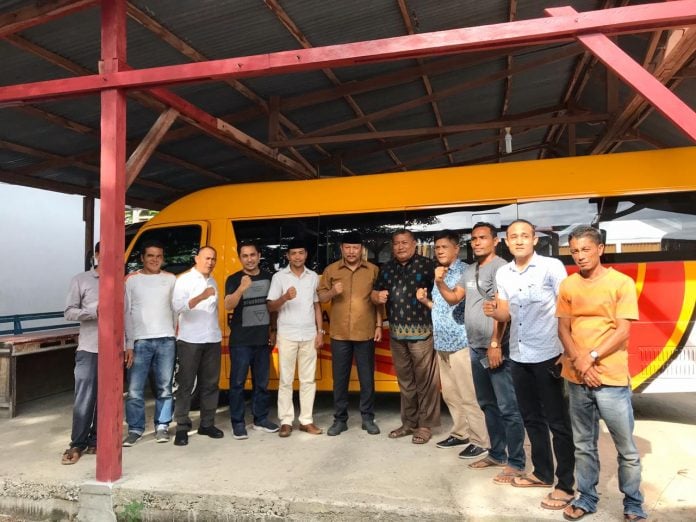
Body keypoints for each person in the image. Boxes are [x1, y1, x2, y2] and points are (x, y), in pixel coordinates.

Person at [557, 225, 648, 521]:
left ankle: (633, 504)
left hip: (611, 379)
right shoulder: (568, 285)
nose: (580, 256)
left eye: (585, 249)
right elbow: (563, 329)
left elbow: (622, 331)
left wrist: (591, 358)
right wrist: (579, 362)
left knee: (627, 449)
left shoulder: (621, 283)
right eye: (574, 251)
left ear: (600, 249)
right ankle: (586, 498)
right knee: (583, 446)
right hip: (576, 378)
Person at [484, 219, 575, 509]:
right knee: (531, 419)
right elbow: (505, 314)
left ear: (535, 240)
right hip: (519, 355)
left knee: (558, 422)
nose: (519, 240)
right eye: (514, 237)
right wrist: (494, 312)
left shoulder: (551, 267)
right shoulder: (504, 273)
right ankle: (543, 473)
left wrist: (568, 351)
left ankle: (565, 484)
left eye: (525, 235)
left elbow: (568, 308)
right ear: (507, 242)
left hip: (548, 354)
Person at [436, 222, 526, 482]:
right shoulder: (471, 270)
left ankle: (516, 461)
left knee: (508, 407)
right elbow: (454, 298)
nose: (477, 242)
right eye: (474, 238)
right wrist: (440, 283)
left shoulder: (502, 268)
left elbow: (502, 308)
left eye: (483, 238)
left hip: (496, 347)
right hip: (475, 346)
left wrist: (495, 343)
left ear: (495, 241)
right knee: (487, 404)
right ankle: (496, 453)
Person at [417, 230, 489, 458]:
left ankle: (481, 440)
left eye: (444, 247)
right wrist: (425, 301)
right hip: (442, 342)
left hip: (461, 342)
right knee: (450, 394)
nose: (439, 251)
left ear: (456, 248)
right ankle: (461, 433)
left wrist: (438, 281)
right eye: (437, 247)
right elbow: (441, 308)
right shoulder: (440, 271)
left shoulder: (465, 272)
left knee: (469, 395)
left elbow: (454, 300)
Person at [372, 229, 440, 444]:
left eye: (404, 242)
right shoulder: (387, 268)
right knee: (406, 382)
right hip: (397, 335)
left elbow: (441, 298)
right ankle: (409, 423)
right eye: (396, 243)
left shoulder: (428, 266)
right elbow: (374, 294)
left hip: (423, 333)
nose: (400, 247)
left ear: (414, 244)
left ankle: (425, 426)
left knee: (425, 382)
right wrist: (377, 296)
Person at [317, 231, 381, 436]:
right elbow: (321, 298)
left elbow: (378, 301)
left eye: (355, 248)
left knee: (367, 379)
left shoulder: (373, 270)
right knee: (340, 379)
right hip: (340, 334)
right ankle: (340, 419)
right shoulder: (331, 270)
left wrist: (379, 326)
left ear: (361, 249)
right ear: (341, 249)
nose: (352, 251)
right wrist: (333, 292)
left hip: (365, 332)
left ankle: (368, 418)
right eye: (348, 247)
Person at [267, 238, 323, 437]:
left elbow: (317, 306)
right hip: (287, 334)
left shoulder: (313, 276)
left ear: (306, 255)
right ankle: (286, 421)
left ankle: (306, 421)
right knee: (286, 380)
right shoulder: (279, 277)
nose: (297, 256)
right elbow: (270, 306)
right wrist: (284, 297)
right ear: (287, 256)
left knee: (308, 380)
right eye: (293, 253)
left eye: (301, 253)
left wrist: (320, 332)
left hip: (309, 334)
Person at [123, 240, 177, 446]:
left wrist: (174, 335)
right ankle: (135, 429)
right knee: (135, 390)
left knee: (165, 388)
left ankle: (162, 426)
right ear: (142, 258)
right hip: (140, 341)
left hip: (166, 340)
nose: (155, 260)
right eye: (150, 256)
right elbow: (125, 312)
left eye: (159, 256)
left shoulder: (170, 279)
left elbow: (175, 309)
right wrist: (128, 343)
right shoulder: (131, 280)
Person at [224, 241, 279, 439]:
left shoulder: (269, 278)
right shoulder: (233, 279)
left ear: (259, 255)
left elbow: (272, 307)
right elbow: (228, 305)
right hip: (240, 341)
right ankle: (238, 423)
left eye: (252, 255)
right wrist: (241, 288)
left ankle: (260, 419)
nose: (249, 259)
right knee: (237, 384)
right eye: (245, 256)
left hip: (262, 340)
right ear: (240, 258)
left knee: (262, 383)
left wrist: (273, 329)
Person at [171, 246, 224, 446]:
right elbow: (177, 307)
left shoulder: (213, 281)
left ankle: (207, 424)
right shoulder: (184, 280)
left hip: (212, 339)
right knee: (185, 385)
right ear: (196, 258)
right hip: (190, 340)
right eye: (206, 258)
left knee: (210, 385)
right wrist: (201, 296)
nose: (210, 262)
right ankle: (182, 427)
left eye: (213, 259)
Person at [61, 242, 100, 464]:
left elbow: (126, 315)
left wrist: (129, 345)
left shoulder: (120, 282)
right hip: (89, 347)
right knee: (84, 397)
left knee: (107, 398)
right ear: (97, 255)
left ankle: (97, 439)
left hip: (114, 349)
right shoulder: (81, 280)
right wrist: (94, 312)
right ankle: (77, 442)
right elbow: (69, 312)